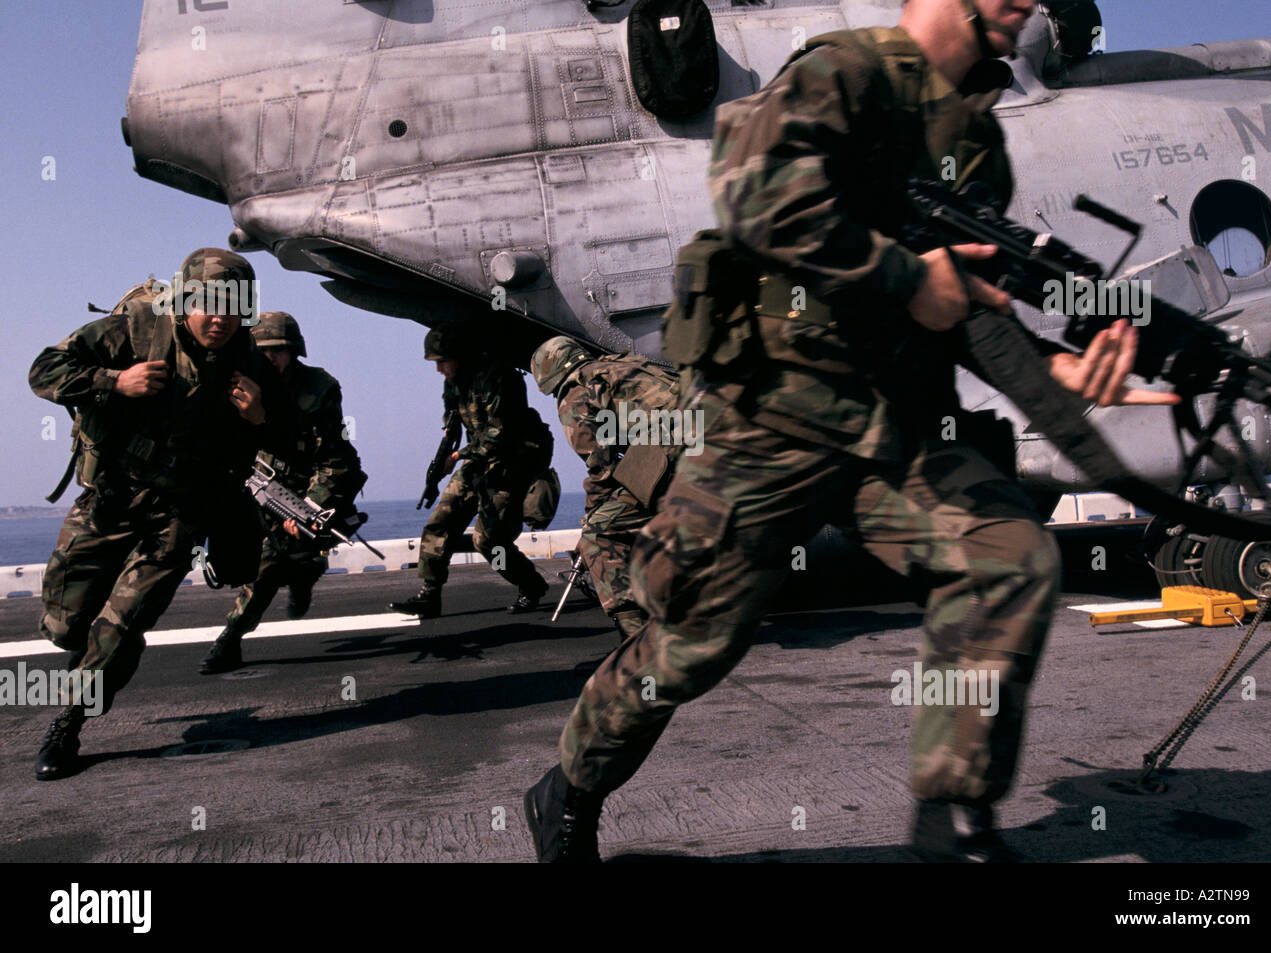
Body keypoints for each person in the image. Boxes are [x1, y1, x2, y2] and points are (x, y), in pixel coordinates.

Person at [524, 0, 1179, 862]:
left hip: (897, 434)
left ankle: (951, 822)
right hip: (773, 422)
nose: (1026, 4)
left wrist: (1050, 367)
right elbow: (755, 201)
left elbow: (963, 306)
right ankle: (568, 789)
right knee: (691, 641)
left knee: (1006, 556)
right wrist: (907, 276)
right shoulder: (844, 73)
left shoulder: (976, 136)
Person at [28, 249, 295, 780]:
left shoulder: (251, 361)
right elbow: (43, 369)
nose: (220, 319)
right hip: (109, 499)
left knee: (119, 626)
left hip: (177, 514)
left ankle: (70, 722)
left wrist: (261, 418)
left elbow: (288, 436)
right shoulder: (136, 329)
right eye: (209, 304)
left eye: (233, 308)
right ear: (185, 300)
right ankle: (99, 657)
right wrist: (113, 382)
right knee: (64, 624)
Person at [200, 311, 368, 674]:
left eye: (279, 350)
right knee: (260, 569)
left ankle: (302, 576)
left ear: (294, 351)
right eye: (263, 351)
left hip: (309, 484)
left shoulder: (317, 389)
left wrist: (311, 506)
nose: (271, 357)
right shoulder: (237, 383)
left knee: (294, 556)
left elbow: (335, 459)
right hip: (258, 484)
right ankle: (230, 640)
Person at [390, 324, 553, 618]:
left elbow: (499, 434)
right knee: (440, 522)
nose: (438, 369)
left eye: (442, 361)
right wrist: (444, 453)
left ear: (460, 356)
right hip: (477, 460)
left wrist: (457, 455)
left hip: (510, 463)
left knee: (489, 542)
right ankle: (429, 594)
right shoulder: (453, 382)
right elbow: (452, 422)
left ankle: (530, 584)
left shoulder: (499, 377)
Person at [530, 336, 682, 642]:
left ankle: (635, 644)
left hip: (678, 449)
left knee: (600, 533)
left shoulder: (575, 394)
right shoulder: (619, 367)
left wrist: (591, 519)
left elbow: (600, 466)